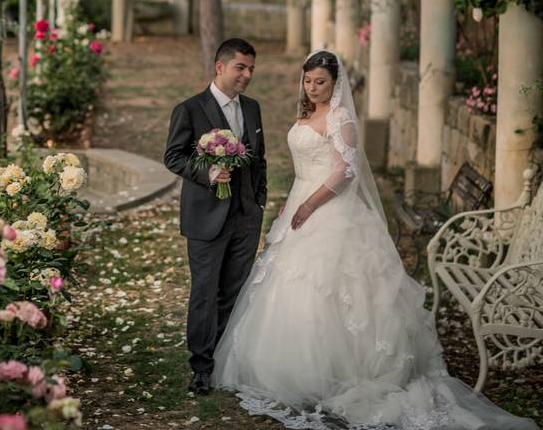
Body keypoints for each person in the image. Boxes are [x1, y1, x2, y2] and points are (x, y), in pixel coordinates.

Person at [212, 50, 538, 430]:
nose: (313, 88)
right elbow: (306, 167)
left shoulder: (341, 117)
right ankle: (286, 366)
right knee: (287, 284)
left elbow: (345, 171)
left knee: (332, 288)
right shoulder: (307, 114)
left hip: (328, 210)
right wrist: (294, 202)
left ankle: (337, 370)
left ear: (335, 84)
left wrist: (309, 205)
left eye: (321, 82)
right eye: (308, 80)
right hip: (301, 200)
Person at [163, 38, 267, 396]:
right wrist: (207, 173)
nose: (248, 75)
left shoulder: (252, 109)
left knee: (233, 291)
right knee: (205, 292)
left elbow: (259, 160)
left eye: (251, 68)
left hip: (246, 217)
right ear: (220, 67)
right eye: (241, 67)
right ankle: (201, 367)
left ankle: (225, 356)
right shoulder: (190, 109)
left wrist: (259, 204)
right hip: (206, 217)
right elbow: (174, 156)